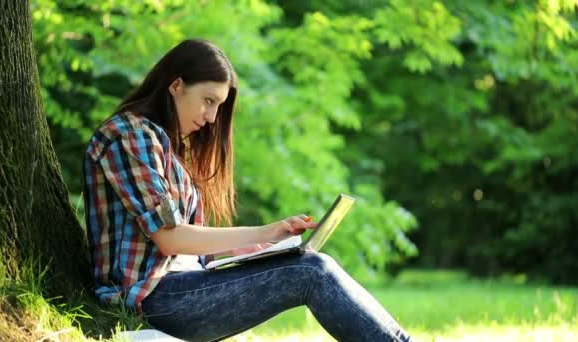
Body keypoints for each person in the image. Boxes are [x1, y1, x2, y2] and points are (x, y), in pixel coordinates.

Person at [83, 39, 412, 342]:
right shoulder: (130, 135)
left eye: (219, 106)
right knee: (312, 271)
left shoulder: (166, 146)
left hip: (179, 288)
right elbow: (169, 238)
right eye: (208, 101)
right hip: (153, 298)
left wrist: (250, 248)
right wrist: (265, 230)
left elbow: (178, 248)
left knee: (309, 262)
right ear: (176, 85)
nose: (212, 118)